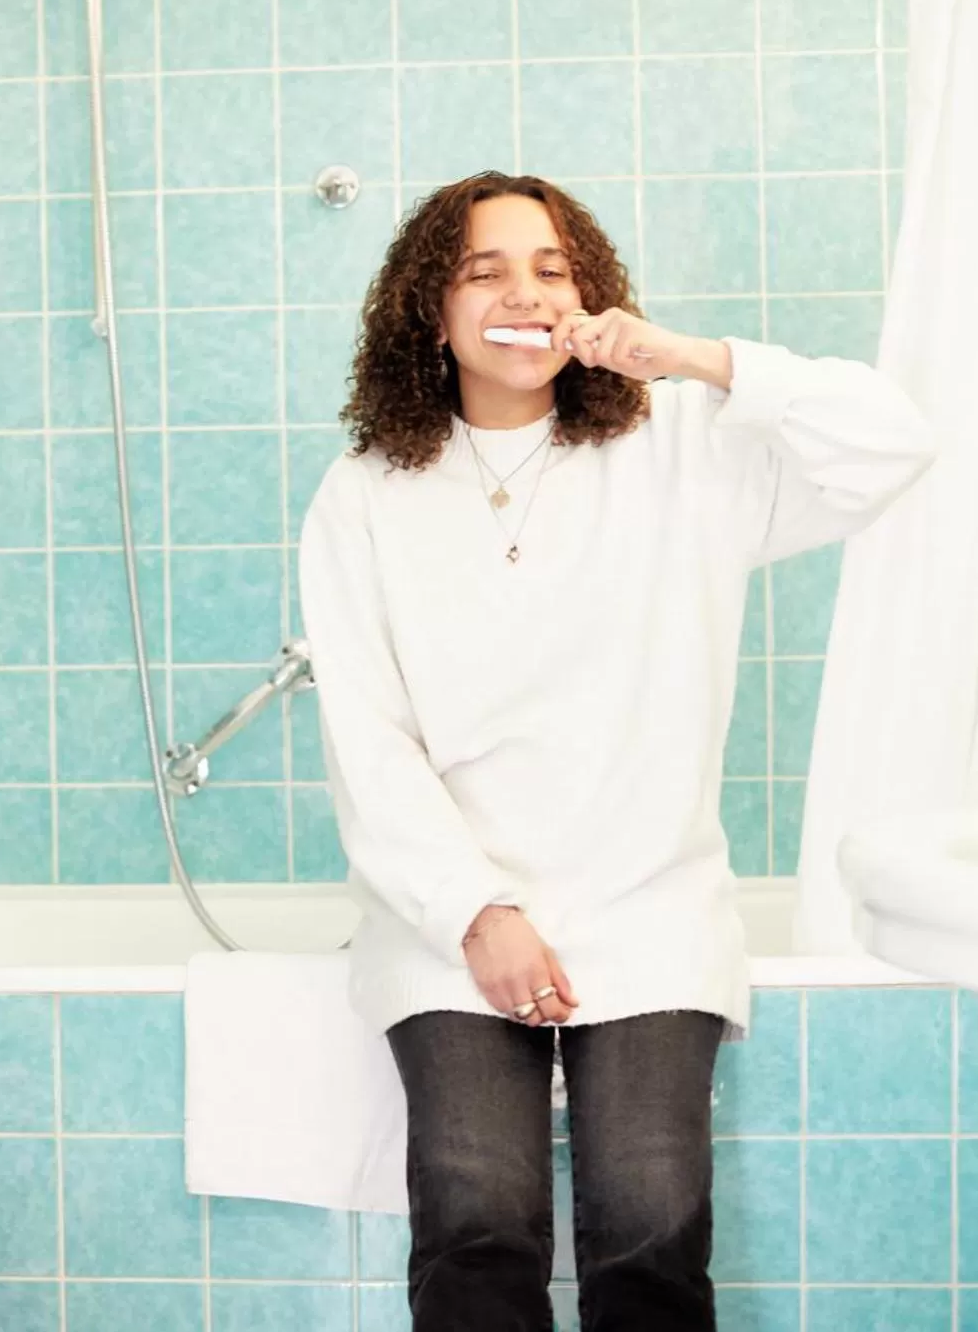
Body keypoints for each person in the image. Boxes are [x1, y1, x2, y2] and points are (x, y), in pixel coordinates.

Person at [297, 171, 935, 1332]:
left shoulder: (681, 447)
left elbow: (893, 445)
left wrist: (690, 358)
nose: (524, 295)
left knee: (648, 1233)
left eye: (552, 269)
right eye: (482, 271)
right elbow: (366, 735)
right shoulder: (367, 493)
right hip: (448, 923)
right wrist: (472, 912)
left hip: (646, 908)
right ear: (426, 312)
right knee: (472, 1222)